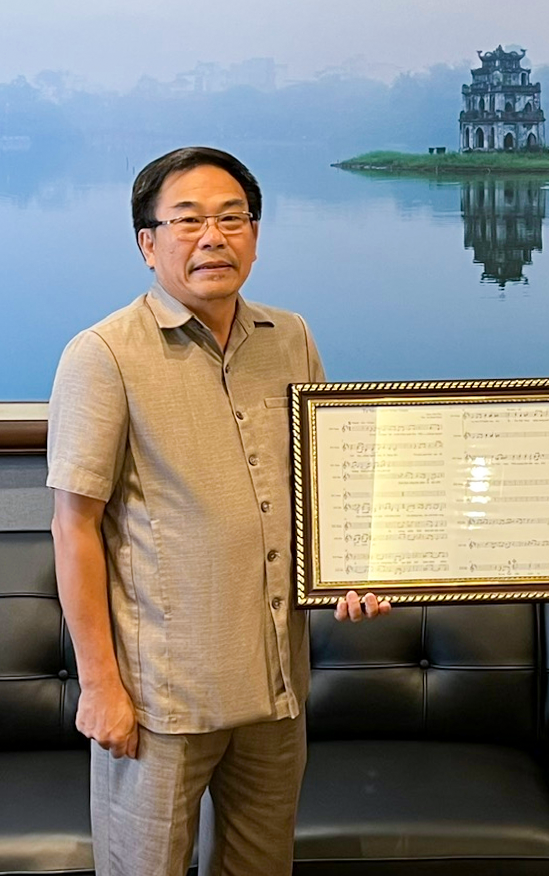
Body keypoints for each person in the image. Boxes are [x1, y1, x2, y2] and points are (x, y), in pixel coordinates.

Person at [48, 146, 388, 876]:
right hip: (160, 699)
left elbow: (327, 489)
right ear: (148, 243)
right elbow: (74, 527)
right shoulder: (103, 354)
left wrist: (353, 573)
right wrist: (99, 686)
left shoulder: (290, 338)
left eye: (233, 219)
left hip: (276, 686)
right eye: (189, 220)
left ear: (255, 237)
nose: (214, 237)